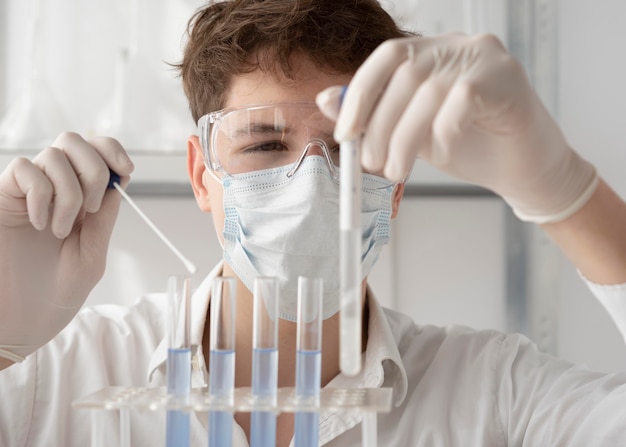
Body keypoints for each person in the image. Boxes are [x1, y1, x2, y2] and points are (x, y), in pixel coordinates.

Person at [1, 0, 626, 445]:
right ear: (201, 175)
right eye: (265, 146)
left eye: (350, 148)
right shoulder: (56, 378)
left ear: (397, 184)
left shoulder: (495, 397)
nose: (312, 186)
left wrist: (565, 191)